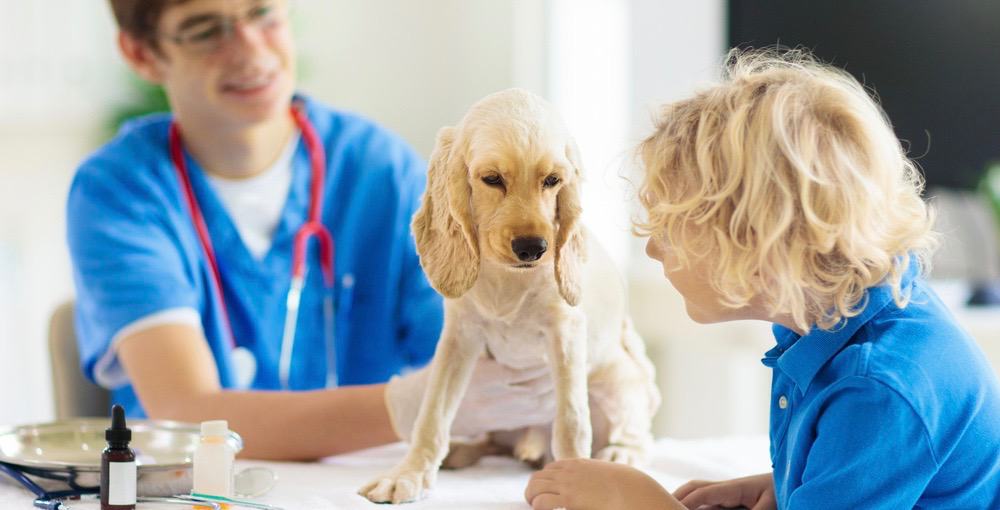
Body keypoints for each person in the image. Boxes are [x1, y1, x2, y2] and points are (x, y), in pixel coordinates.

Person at [67, 0, 554, 460]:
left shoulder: (379, 170)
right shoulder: (121, 190)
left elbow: (481, 346)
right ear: (142, 53)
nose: (252, 50)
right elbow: (186, 412)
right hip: (195, 491)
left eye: (264, 14)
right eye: (204, 30)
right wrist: (412, 406)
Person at [525, 49, 1000, 509]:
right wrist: (795, 483)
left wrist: (637, 502)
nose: (652, 249)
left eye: (669, 232)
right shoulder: (851, 313)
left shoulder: (877, 386)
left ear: (759, 243)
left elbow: (879, 423)